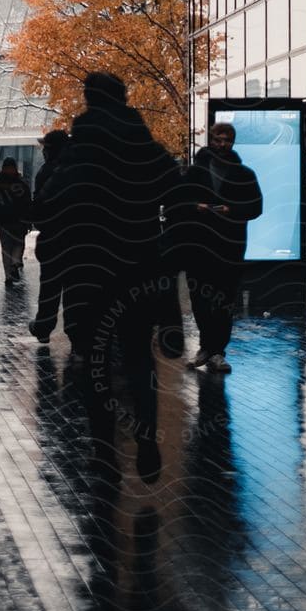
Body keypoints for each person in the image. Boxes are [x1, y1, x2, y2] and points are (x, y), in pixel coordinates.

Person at [52, 74, 180, 482]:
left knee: (96, 359)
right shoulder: (143, 144)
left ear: (89, 100)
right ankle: (146, 439)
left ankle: (103, 445)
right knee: (140, 357)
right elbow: (175, 188)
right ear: (123, 96)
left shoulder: (80, 147)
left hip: (91, 268)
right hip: (137, 265)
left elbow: (54, 201)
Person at [168, 121, 262, 373]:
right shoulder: (195, 173)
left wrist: (229, 210)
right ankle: (209, 348)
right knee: (201, 300)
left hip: (226, 248)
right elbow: (175, 206)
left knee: (222, 300)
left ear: (232, 142)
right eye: (218, 139)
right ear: (210, 140)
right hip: (201, 247)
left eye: (227, 140)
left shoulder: (243, 174)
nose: (222, 144)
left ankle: (216, 349)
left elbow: (256, 207)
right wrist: (196, 208)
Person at [28, 129, 71, 346]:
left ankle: (44, 327)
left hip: (53, 240)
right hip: (77, 241)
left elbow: (39, 209)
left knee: (50, 288)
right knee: (74, 289)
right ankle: (76, 333)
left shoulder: (46, 173)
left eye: (46, 147)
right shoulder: (79, 169)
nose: (43, 151)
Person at [0, 157, 33, 286]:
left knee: (6, 247)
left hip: (3, 219)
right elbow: (27, 201)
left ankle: (8, 274)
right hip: (18, 219)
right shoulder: (21, 182)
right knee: (18, 243)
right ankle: (14, 264)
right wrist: (28, 219)